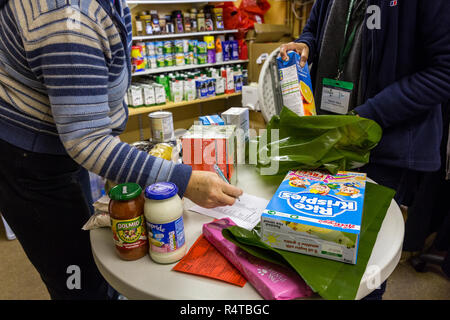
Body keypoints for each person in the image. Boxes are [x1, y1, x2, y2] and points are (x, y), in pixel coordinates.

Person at [0, 0, 242, 300]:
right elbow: (86, 141)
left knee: (87, 244)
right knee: (77, 277)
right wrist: (184, 181)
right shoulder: (68, 18)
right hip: (31, 163)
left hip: (58, 148)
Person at [280, 0, 450, 299]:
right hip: (329, 138)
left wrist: (370, 114)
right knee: (317, 245)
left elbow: (443, 72)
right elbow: (314, 29)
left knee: (362, 266)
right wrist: (305, 45)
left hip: (380, 149)